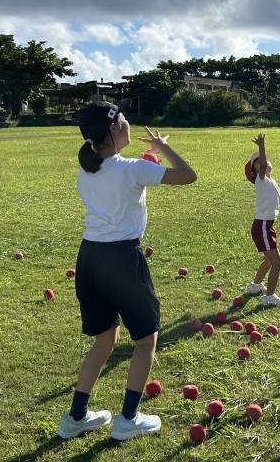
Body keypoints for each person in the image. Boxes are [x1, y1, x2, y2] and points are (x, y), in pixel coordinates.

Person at [57, 98, 197, 441]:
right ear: (114, 127)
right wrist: (165, 147)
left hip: (89, 258)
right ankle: (128, 420)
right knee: (146, 338)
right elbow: (188, 176)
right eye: (122, 118)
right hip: (122, 258)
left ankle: (76, 418)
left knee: (105, 340)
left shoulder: (86, 170)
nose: (127, 122)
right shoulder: (132, 168)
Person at [244, 133, 280, 307]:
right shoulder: (260, 180)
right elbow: (262, 166)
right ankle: (269, 297)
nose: (263, 162)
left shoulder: (269, 180)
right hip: (262, 226)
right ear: (255, 170)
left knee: (269, 260)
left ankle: (255, 286)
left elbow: (264, 164)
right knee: (277, 262)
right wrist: (261, 147)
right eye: (258, 161)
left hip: (265, 226)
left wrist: (262, 154)